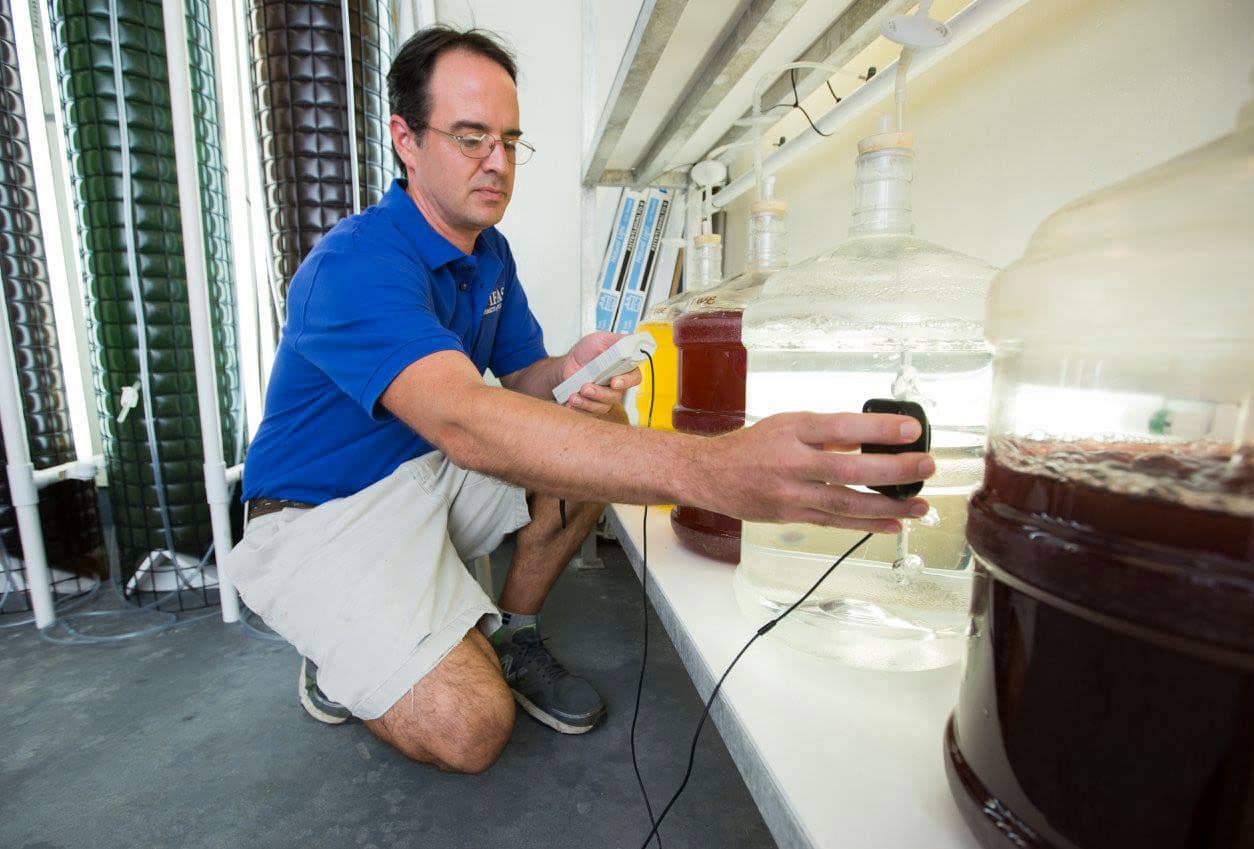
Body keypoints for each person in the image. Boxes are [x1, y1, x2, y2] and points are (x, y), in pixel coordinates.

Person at [226, 26, 933, 774]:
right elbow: (467, 420)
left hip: (426, 476)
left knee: (594, 419)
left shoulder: (488, 253)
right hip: (320, 517)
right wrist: (715, 468)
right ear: (406, 138)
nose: (497, 163)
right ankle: (339, 648)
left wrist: (574, 364)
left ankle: (512, 629)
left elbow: (529, 382)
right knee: (472, 726)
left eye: (509, 140)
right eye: (470, 139)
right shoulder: (354, 263)